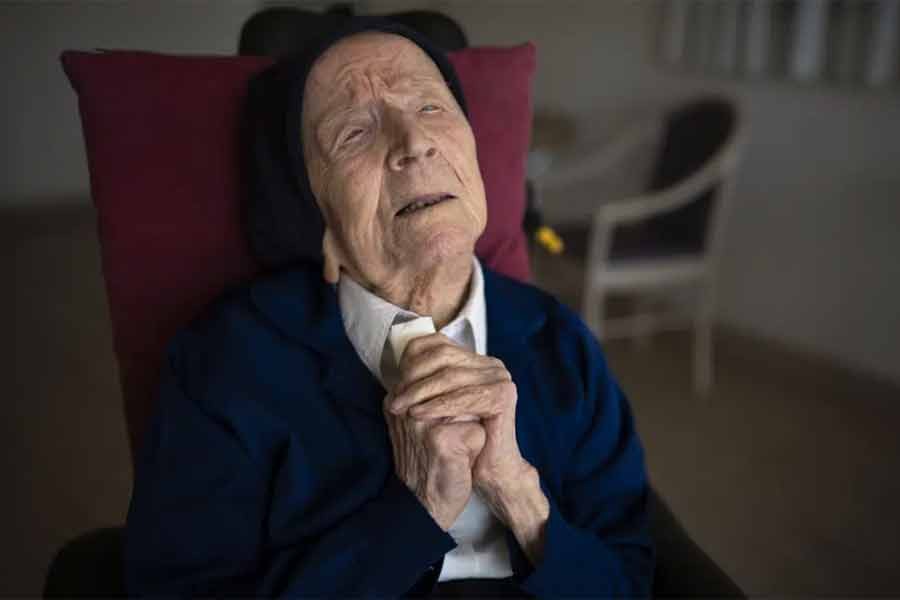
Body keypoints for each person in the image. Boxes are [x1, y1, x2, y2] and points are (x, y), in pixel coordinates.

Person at [124, 18, 654, 598]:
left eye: (431, 109)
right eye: (354, 132)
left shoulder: (559, 341)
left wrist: (519, 495)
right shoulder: (227, 365)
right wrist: (415, 510)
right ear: (311, 210)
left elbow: (629, 580)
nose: (413, 143)